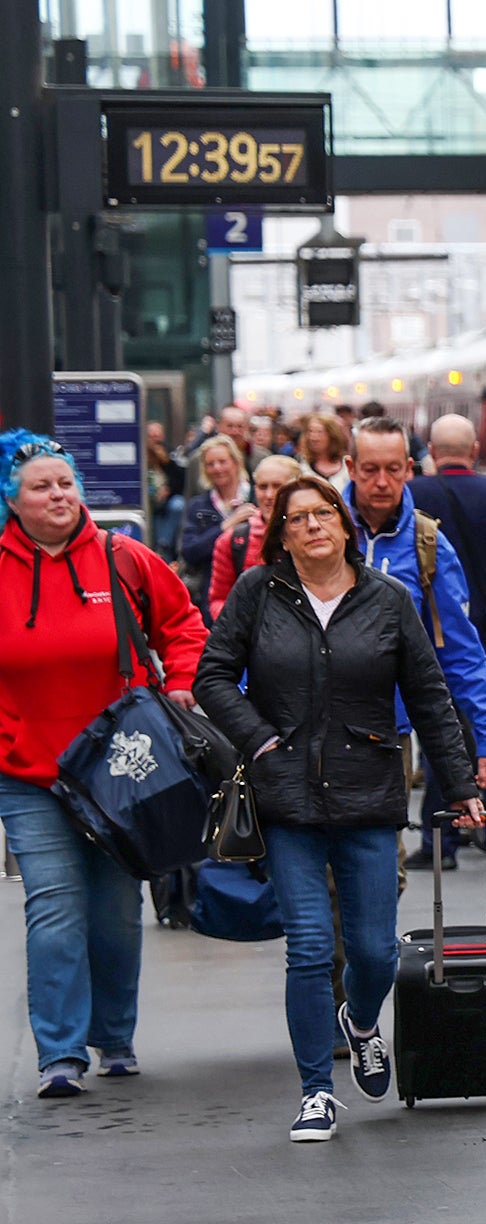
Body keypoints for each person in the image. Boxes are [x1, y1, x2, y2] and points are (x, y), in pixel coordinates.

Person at [196, 474, 486, 1143]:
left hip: (369, 791)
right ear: (281, 534)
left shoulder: (386, 598)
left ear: (344, 523)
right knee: (308, 946)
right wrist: (258, 737)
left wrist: (462, 783)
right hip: (287, 796)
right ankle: (316, 1092)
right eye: (295, 518)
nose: (311, 526)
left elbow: (430, 692)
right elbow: (210, 675)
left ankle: (360, 1022)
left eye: (322, 512)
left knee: (376, 951)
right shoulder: (257, 594)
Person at [0, 431, 209, 1097]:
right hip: (28, 769)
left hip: (122, 766)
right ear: (12, 499)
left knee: (116, 910)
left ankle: (114, 1035)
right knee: (56, 905)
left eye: (67, 483)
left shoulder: (124, 557)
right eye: (42, 486)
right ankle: (60, 1053)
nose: (59, 495)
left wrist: (181, 680)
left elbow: (185, 624)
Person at [342, 417, 486, 870]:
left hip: (386, 731)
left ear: (411, 468)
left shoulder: (426, 544)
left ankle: (365, 944)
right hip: (308, 729)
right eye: (370, 469)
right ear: (350, 467)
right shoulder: (319, 530)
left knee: (380, 864)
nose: (382, 482)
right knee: (317, 868)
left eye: (394, 469)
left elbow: (459, 649)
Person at [408, 414, 486, 868]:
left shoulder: (414, 494)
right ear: (476, 449)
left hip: (428, 636)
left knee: (439, 735)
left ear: (430, 450)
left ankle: (438, 842)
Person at [208, 453, 302, 620]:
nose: (269, 495)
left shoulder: (316, 534)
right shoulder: (233, 541)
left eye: (278, 486)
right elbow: (218, 600)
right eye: (262, 487)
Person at [178, 434, 255, 614]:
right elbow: (189, 551)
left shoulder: (258, 496)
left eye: (222, 461)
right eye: (210, 464)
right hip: (212, 594)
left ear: (236, 462)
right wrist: (226, 526)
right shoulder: (198, 506)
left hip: (253, 591)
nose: (217, 468)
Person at [145, 420, 185, 560]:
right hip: (150, 504)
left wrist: (168, 490)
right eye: (151, 436)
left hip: (167, 503)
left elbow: (180, 480)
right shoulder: (141, 457)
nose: (155, 439)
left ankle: (164, 545)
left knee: (178, 505)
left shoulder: (169, 454)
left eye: (158, 435)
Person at [298, 411, 351, 484]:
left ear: (332, 435)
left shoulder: (347, 466)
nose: (314, 437)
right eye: (310, 431)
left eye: (320, 432)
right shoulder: (301, 466)